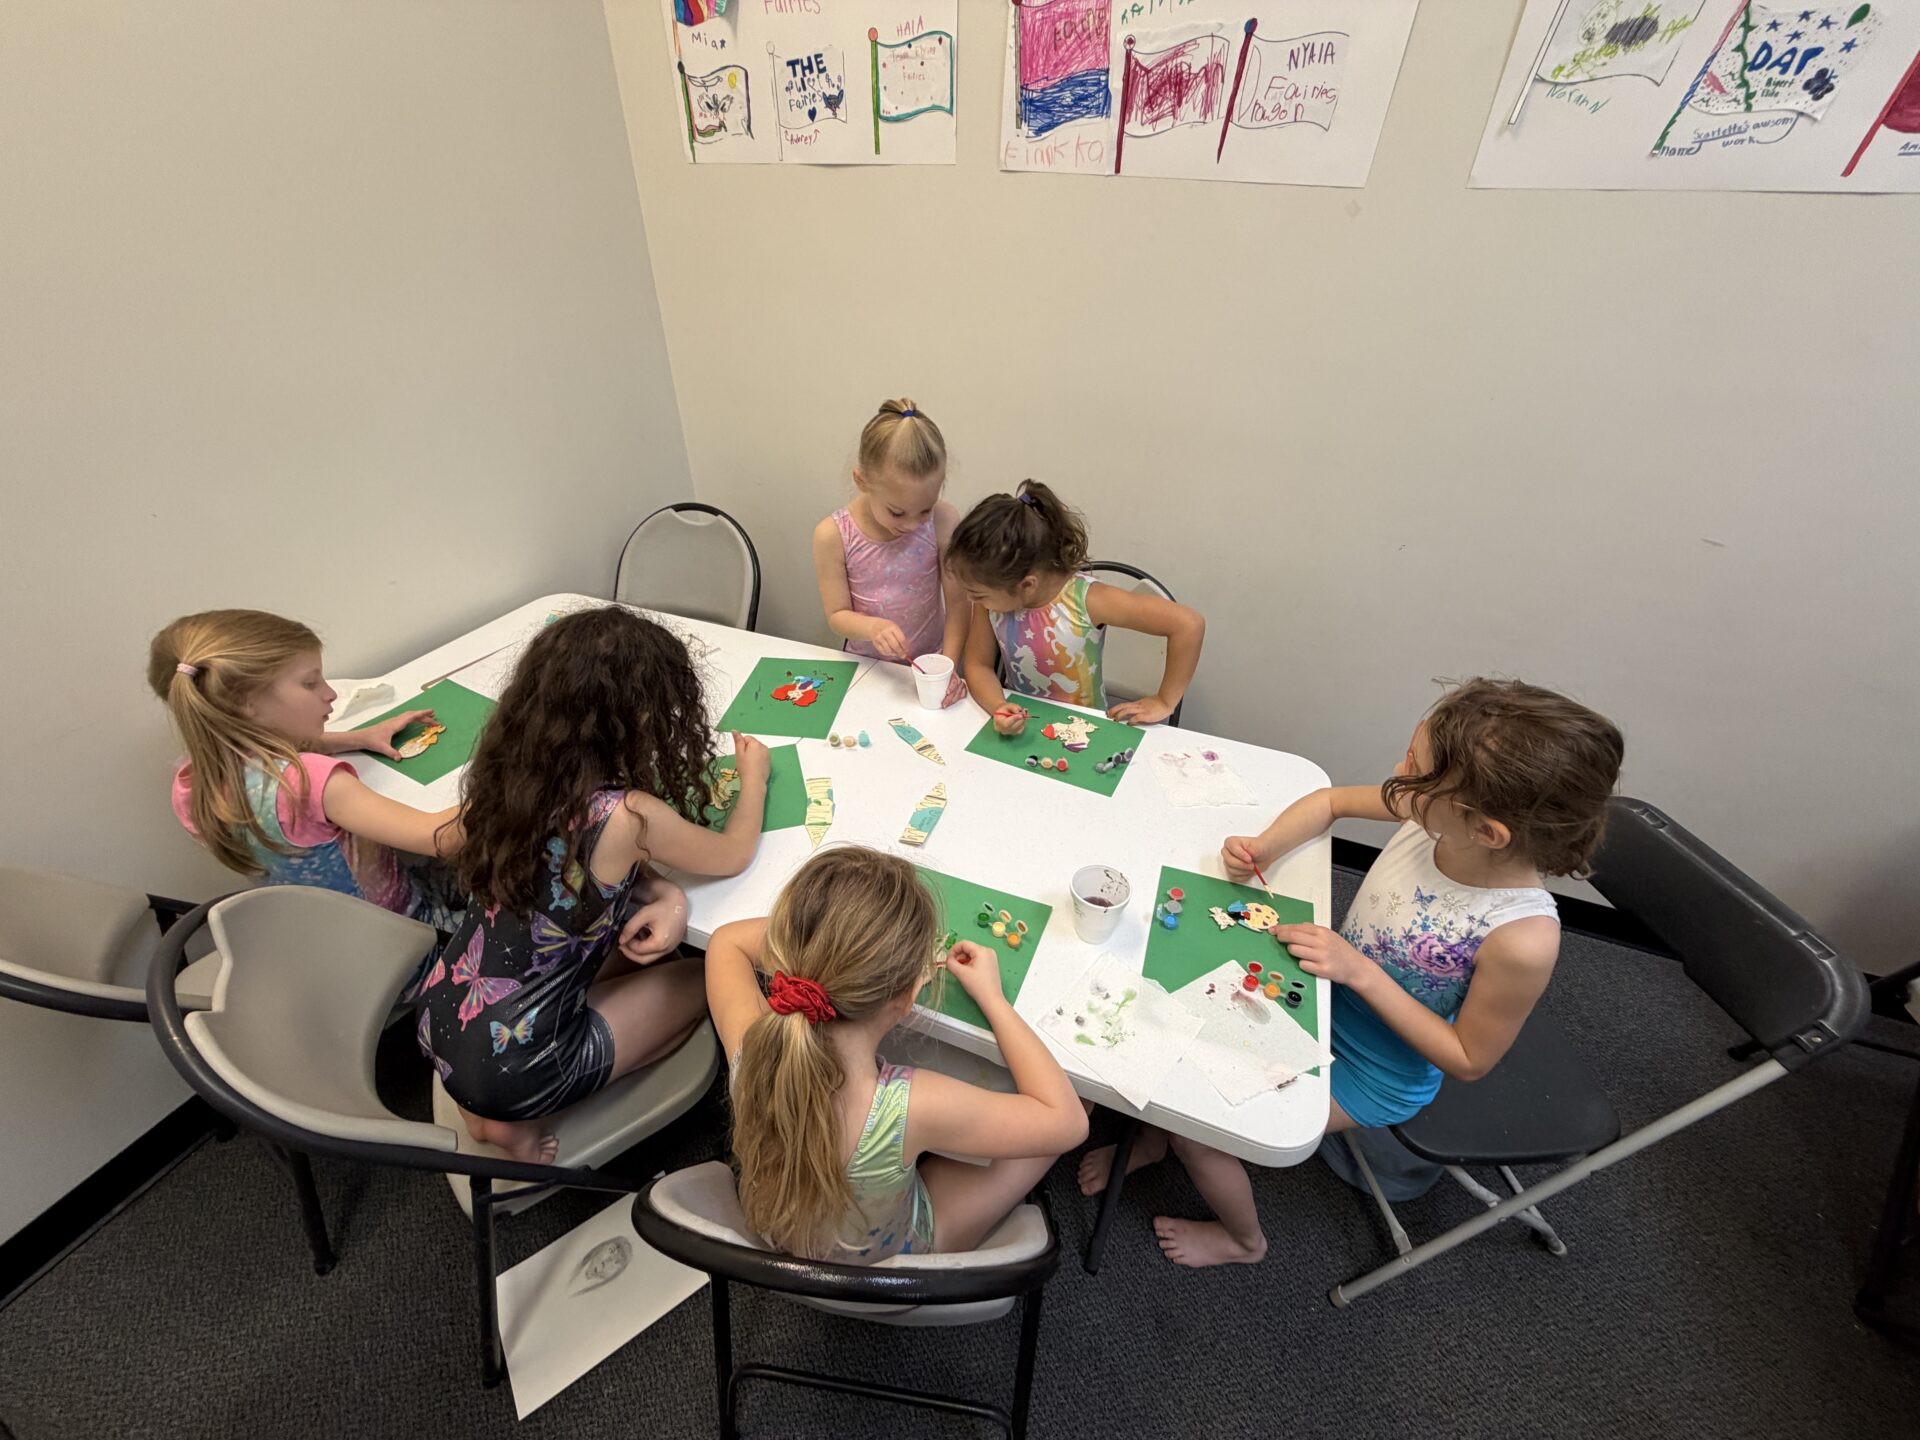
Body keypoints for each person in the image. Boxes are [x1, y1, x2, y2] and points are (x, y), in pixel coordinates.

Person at [1079, 678, 1625, 1268]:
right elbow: (1330, 801)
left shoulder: (1523, 936)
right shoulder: (1431, 811)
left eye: (1415, 768)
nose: (1399, 771)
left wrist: (1360, 973)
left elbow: (1468, 1058)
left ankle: (1243, 1239)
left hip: (1377, 1069)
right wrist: (1264, 846)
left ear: (1486, 831)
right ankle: (1157, 1136)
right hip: (1324, 992)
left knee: (1198, 1125)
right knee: (1172, 1022)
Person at [418, 607, 768, 1164]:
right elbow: (732, 854)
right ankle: (514, 1127)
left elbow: (573, 866)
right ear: (644, 717)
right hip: (520, 1061)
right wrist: (755, 779)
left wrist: (664, 894)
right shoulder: (628, 816)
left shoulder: (508, 776)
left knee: (612, 963)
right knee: (714, 972)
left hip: (443, 1012)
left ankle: (479, 1112)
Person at [706, 845, 1087, 1261]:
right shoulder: (910, 1106)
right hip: (885, 1269)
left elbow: (726, 941)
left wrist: (820, 942)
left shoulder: (750, 1047)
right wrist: (994, 1001)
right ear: (907, 999)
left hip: (777, 1239)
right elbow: (1066, 1122)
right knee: (1079, 1100)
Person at [149, 608, 463, 927]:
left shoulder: (191, 781)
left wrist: (360, 737)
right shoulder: (312, 781)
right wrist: (509, 781)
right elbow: (442, 838)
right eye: (310, 683)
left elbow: (270, 754)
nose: (330, 694)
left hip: (328, 930)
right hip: (409, 928)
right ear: (245, 703)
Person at [945, 480, 1205, 732]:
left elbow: (1188, 624)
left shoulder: (1087, 600)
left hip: (1086, 731)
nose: (971, 601)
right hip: (1026, 728)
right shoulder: (989, 603)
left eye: (977, 595)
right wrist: (999, 707)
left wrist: (1164, 701)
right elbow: (978, 665)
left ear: (1026, 585)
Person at [811, 397, 969, 704]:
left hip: (932, 668)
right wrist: (873, 627)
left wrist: (948, 666)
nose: (912, 525)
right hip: (868, 671)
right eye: (897, 512)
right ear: (862, 481)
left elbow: (960, 604)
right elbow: (837, 615)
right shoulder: (832, 535)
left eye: (923, 510)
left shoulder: (943, 520)